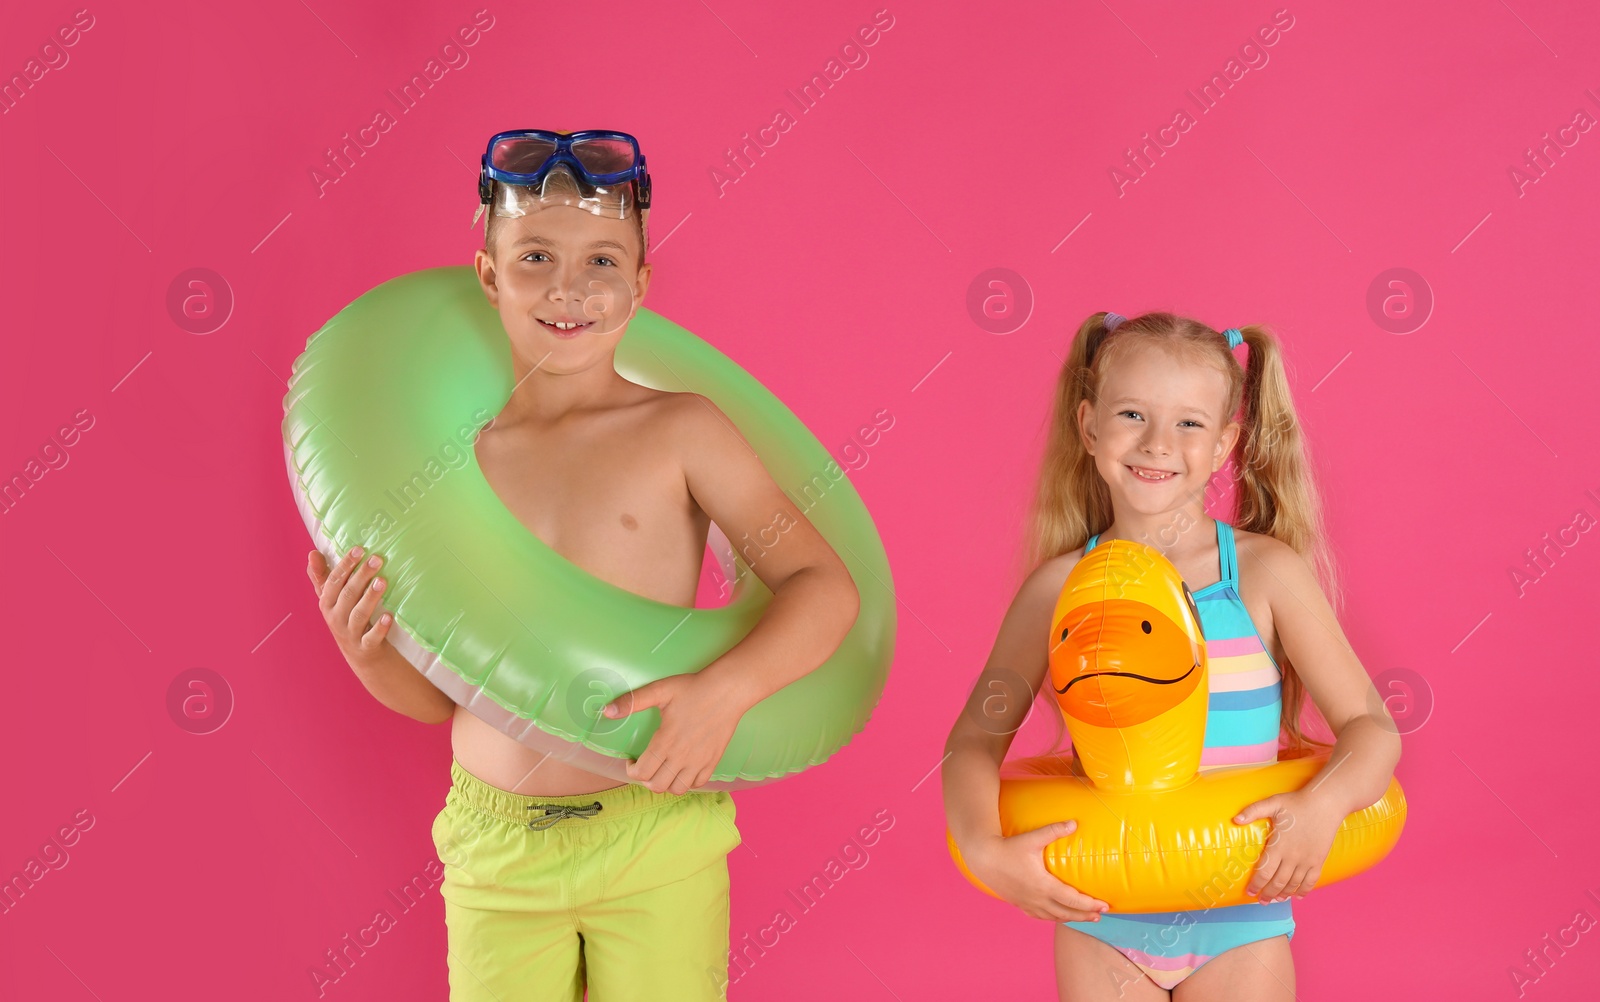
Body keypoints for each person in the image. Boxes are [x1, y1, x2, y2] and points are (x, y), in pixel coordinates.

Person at [306, 129, 861, 1001]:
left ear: (640, 286)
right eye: (535, 256)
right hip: (496, 846)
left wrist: (725, 695)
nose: (570, 288)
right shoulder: (462, 464)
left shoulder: (681, 431)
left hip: (651, 826)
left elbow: (824, 589)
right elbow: (449, 697)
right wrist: (369, 652)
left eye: (603, 261)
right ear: (488, 276)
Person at [941, 311, 1402, 1000]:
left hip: (1240, 919)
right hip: (1103, 920)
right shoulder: (1057, 590)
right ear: (1090, 426)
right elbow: (973, 742)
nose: (1158, 443)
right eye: (1133, 414)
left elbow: (1374, 732)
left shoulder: (1264, 575)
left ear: (1224, 444)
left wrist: (1325, 806)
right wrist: (982, 848)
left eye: (1189, 423)